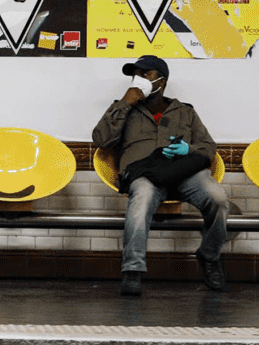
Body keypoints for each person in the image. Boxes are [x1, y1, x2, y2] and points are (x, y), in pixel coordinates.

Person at [92, 55, 228, 296]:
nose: (139, 79)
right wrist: (125, 102)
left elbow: (208, 147)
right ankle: (132, 270)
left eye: (146, 74)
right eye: (136, 75)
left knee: (217, 198)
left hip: (183, 173)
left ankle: (209, 256)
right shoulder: (124, 108)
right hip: (144, 175)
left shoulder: (185, 112)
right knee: (141, 200)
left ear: (162, 81)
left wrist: (190, 150)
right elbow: (101, 139)